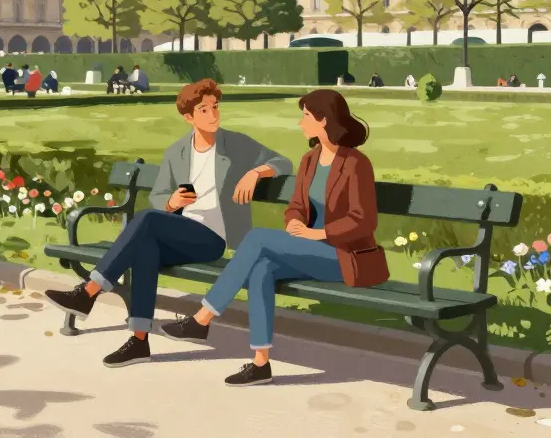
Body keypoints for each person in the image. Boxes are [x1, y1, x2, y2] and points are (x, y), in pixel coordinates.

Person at [44, 79, 291, 368]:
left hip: (213, 239)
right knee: (145, 248)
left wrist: (256, 173)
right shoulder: (177, 152)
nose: (213, 115)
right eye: (203, 110)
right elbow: (160, 197)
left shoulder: (235, 144)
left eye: (215, 107)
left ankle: (89, 291)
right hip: (182, 235)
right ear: (189, 117)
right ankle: (138, 341)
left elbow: (282, 162)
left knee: (146, 221)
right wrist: (172, 203)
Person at [159, 89, 387, 386]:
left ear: (324, 120)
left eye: (305, 115)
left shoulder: (355, 163)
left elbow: (364, 220)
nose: (300, 122)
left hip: (346, 258)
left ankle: (203, 319)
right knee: (262, 268)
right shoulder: (310, 160)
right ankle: (261, 363)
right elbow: (296, 207)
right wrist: (295, 221)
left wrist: (316, 232)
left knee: (257, 240)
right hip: (310, 250)